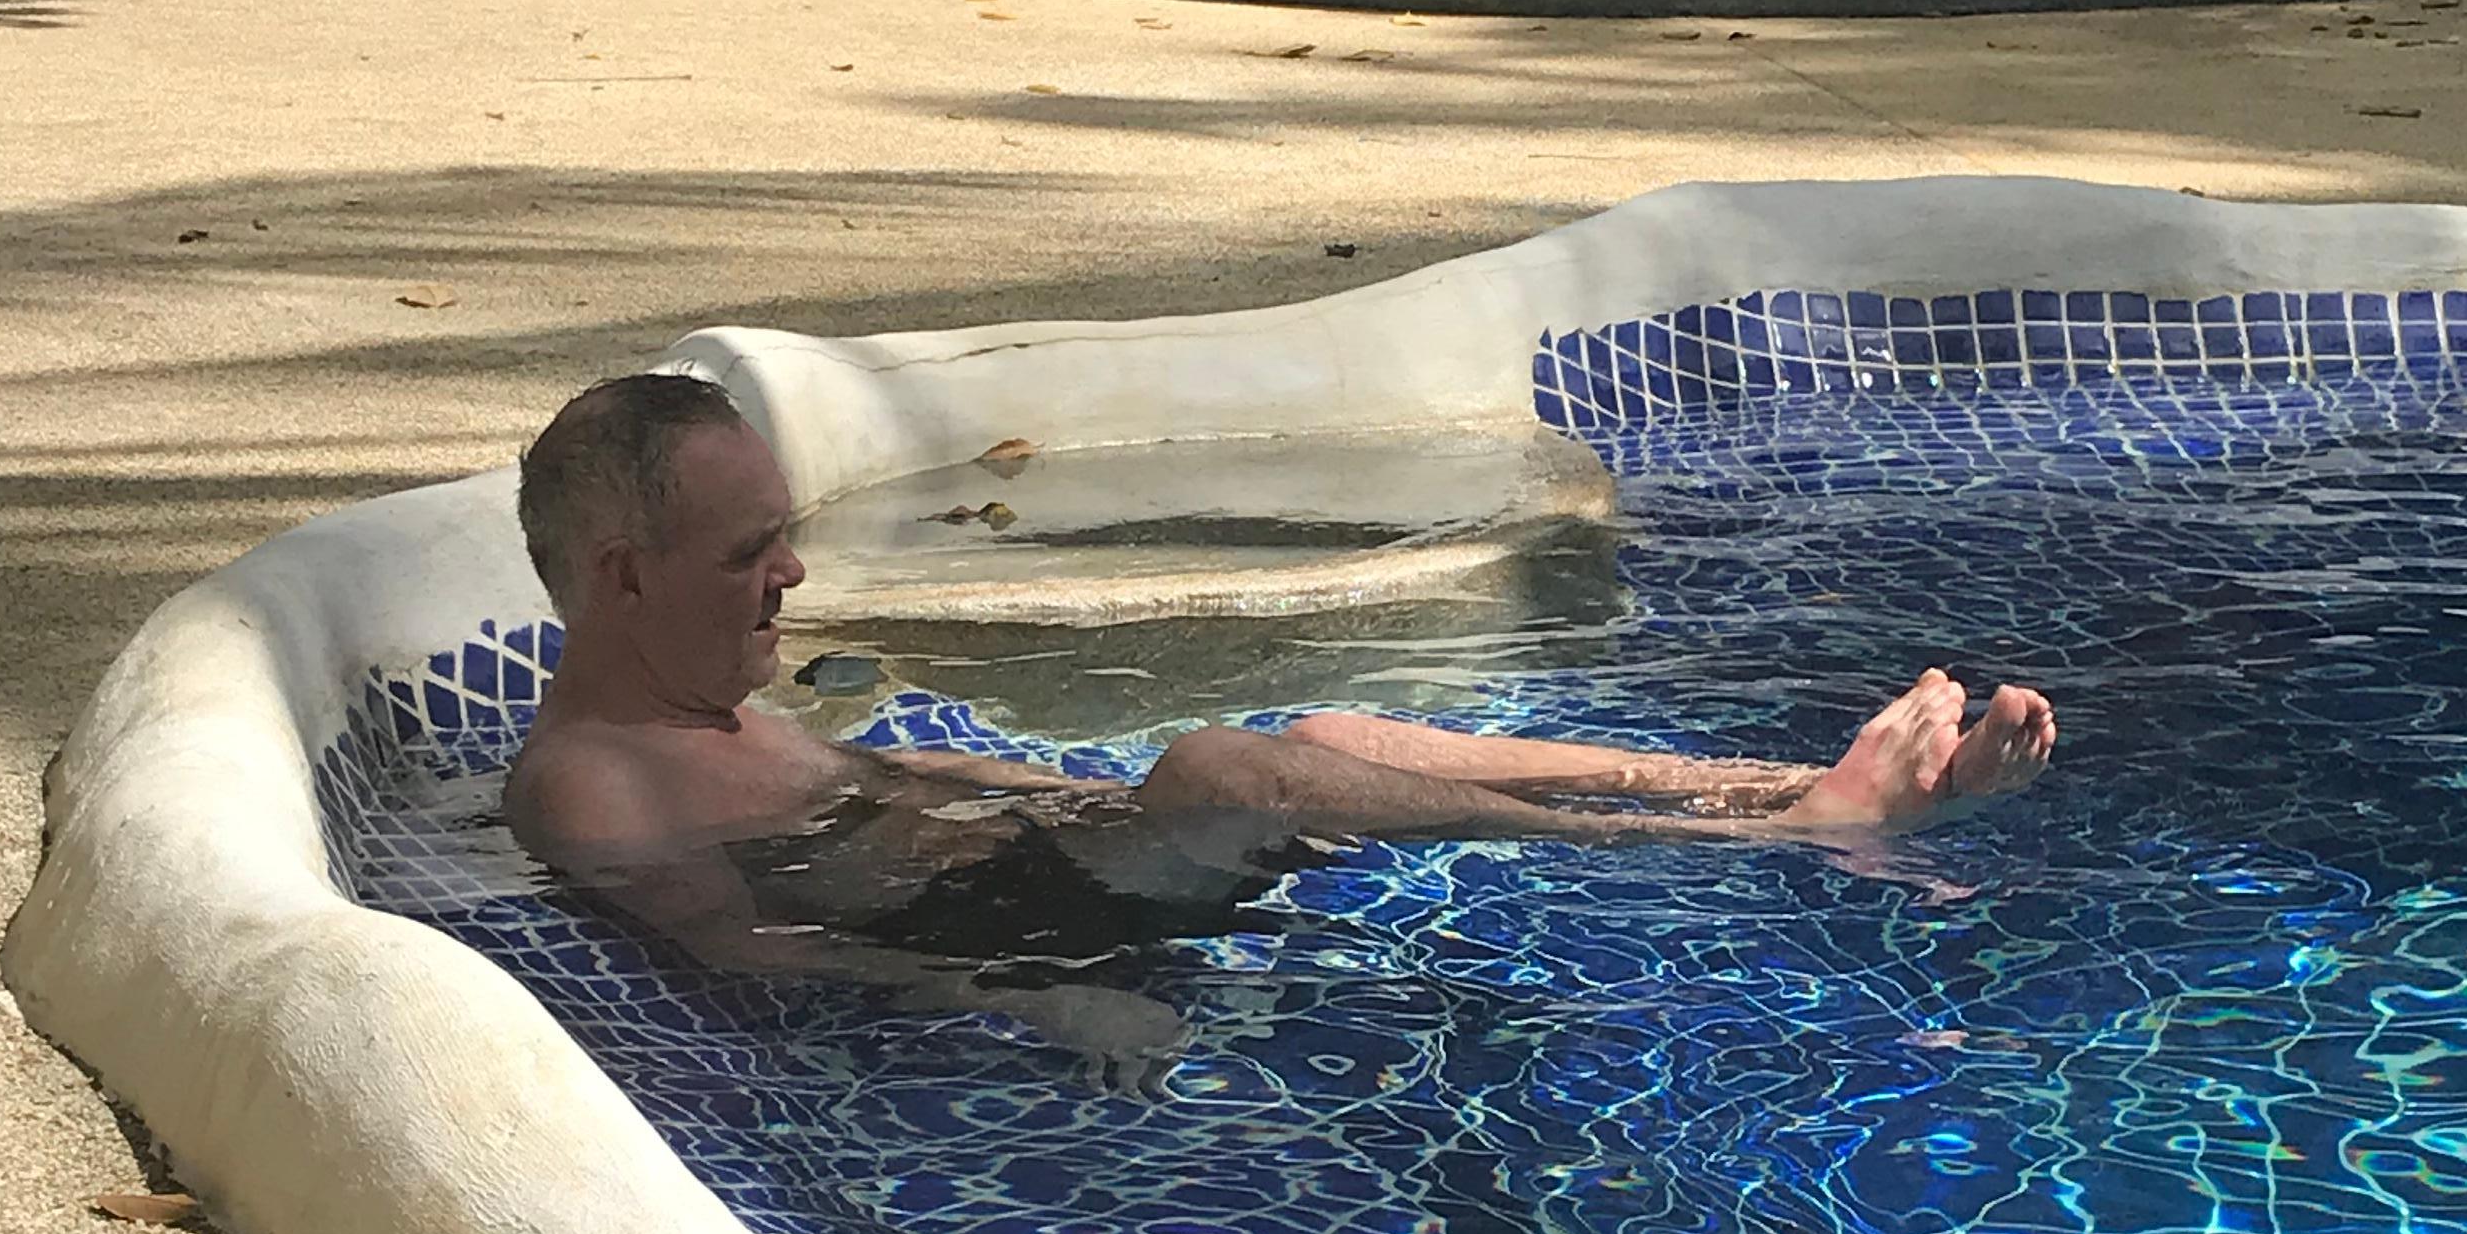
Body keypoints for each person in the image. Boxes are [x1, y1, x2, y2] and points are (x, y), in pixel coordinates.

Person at [501, 373, 2057, 1065]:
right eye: (746, 553)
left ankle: (1773, 782)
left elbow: (894, 780)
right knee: (1219, 762)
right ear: (626, 580)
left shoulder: (708, 697)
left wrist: (1045, 783)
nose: (793, 570)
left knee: (1330, 728)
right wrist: (1043, 1005)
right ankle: (1815, 829)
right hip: (1052, 926)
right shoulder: (591, 786)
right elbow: (758, 952)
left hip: (1064, 854)